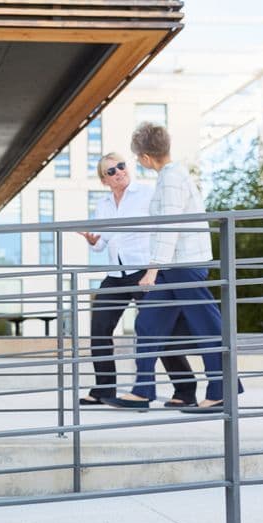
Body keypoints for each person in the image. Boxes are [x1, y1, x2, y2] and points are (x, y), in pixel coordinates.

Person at [104, 123, 242, 411]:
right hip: (176, 266)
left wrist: (152, 270)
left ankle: (221, 390)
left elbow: (169, 228)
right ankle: (142, 391)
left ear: (144, 157)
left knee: (207, 327)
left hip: (184, 266)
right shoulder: (171, 175)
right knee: (148, 323)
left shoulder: (171, 179)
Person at [79, 152, 197, 407]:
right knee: (99, 328)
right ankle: (104, 389)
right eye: (111, 171)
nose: (118, 172)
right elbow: (102, 243)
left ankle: (185, 391)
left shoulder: (146, 194)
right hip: (116, 274)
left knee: (158, 331)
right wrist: (93, 241)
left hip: (145, 272)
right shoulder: (103, 205)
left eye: (121, 166)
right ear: (104, 180)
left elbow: (162, 227)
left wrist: (155, 268)